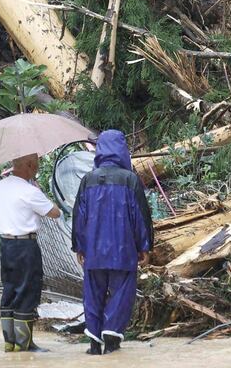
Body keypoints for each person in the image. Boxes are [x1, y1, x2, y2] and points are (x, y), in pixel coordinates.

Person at [71, 130, 152, 355]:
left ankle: (95, 343)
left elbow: (79, 216)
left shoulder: (88, 180)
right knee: (122, 293)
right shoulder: (130, 179)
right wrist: (144, 246)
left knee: (92, 295)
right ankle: (111, 334)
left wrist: (79, 245)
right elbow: (141, 217)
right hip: (123, 249)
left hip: (94, 251)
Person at [0, 152, 61, 352]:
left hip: (6, 245)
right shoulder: (29, 191)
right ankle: (25, 344)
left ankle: (10, 342)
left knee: (10, 288)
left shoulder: (0, 186)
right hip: (25, 246)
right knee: (27, 289)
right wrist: (42, 195)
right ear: (29, 165)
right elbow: (54, 213)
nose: (37, 169)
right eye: (36, 165)